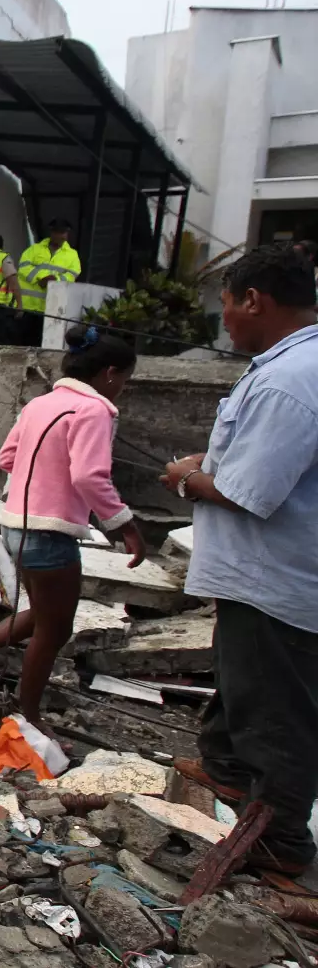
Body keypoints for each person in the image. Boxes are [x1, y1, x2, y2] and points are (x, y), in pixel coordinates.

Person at [160, 242, 318, 875]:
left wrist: (186, 478)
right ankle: (226, 775)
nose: (223, 320)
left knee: (274, 716)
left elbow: (249, 494)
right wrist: (209, 466)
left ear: (255, 299)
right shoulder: (292, 367)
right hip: (264, 577)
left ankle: (281, 852)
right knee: (240, 690)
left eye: (226, 305)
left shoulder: (287, 382)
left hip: (273, 580)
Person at [0, 325, 147, 732]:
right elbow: (90, 476)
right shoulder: (95, 410)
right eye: (124, 378)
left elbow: (7, 457)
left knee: (42, 616)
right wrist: (126, 525)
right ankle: (29, 718)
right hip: (50, 533)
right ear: (109, 373)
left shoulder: (41, 404)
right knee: (55, 630)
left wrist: (44, 474)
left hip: (16, 526)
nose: (123, 386)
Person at [16, 218, 81, 345]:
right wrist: (41, 278)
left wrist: (54, 280)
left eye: (64, 233)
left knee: (42, 345)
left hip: (51, 308)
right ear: (52, 233)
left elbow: (73, 274)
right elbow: (23, 266)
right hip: (28, 307)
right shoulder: (34, 249)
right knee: (22, 343)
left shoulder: (72, 254)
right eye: (59, 233)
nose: (62, 236)